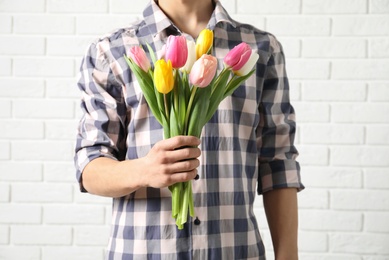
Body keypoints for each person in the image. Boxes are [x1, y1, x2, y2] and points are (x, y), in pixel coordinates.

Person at [74, 0, 304, 259]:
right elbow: (90, 167)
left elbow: (278, 164)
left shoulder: (260, 49)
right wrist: (144, 170)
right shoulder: (111, 51)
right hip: (144, 252)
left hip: (235, 250)